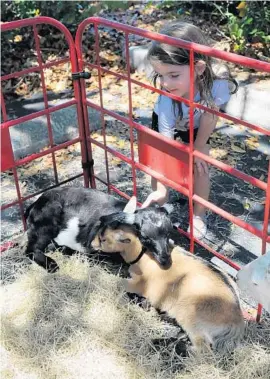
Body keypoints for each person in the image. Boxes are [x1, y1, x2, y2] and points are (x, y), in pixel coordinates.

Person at [141, 21, 238, 239]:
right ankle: (161, 201)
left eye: (173, 75)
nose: (165, 83)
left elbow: (210, 115)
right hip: (169, 124)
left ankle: (199, 215)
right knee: (161, 166)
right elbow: (165, 149)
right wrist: (164, 186)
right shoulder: (167, 100)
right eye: (160, 74)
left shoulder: (218, 85)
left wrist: (200, 146)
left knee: (201, 166)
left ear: (199, 68)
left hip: (198, 124)